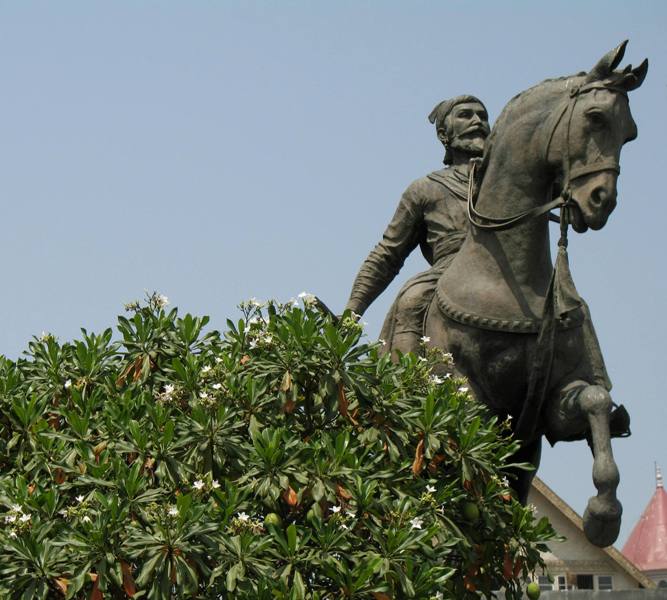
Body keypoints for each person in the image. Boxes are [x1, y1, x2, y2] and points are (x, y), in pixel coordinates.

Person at [345, 95, 490, 355]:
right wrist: (352, 311)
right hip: (449, 272)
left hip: (507, 266)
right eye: (466, 115)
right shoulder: (425, 189)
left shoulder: (510, 182)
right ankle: (405, 385)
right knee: (411, 301)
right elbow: (388, 255)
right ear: (445, 135)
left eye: (483, 116)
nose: (478, 121)